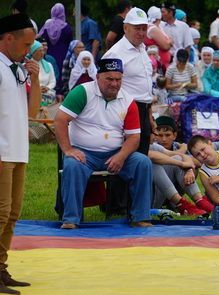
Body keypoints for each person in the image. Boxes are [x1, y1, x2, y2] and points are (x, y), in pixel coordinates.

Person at [54, 58, 152, 229]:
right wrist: (68, 149)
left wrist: (121, 156)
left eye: (118, 79)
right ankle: (70, 220)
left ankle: (140, 217)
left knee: (142, 162)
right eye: (109, 79)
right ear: (97, 77)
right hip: (84, 153)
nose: (114, 84)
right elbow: (61, 120)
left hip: (115, 152)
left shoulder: (128, 101)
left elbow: (134, 137)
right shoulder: (82, 92)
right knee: (72, 165)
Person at [0, 13, 41, 295]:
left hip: (18, 150)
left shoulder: (16, 68)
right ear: (8, 38)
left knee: (12, 214)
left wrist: (35, 80)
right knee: (0, 213)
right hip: (2, 150)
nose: (29, 50)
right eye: (26, 44)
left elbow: (32, 113)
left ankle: (1, 267)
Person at [103, 7, 154, 155]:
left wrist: (149, 113)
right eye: (137, 28)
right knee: (125, 158)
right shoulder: (115, 53)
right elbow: (103, 87)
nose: (141, 33)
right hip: (124, 111)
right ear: (125, 28)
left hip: (143, 110)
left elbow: (144, 84)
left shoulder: (142, 48)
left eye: (144, 28)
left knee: (142, 155)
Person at [149, 116, 210, 216]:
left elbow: (197, 162)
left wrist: (189, 170)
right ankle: (183, 204)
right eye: (160, 135)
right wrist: (182, 157)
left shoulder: (177, 145)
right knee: (172, 160)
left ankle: (199, 201)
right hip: (155, 195)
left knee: (182, 162)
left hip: (172, 192)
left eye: (167, 135)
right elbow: (157, 156)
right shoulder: (153, 146)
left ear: (174, 135)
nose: (164, 139)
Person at [38, 3, 73, 77]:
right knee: (61, 70)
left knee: (51, 68)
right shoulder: (66, 27)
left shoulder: (47, 26)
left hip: (49, 52)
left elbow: (41, 39)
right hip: (64, 53)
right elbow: (70, 43)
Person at [28, 40, 56, 106]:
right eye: (39, 51)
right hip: (33, 95)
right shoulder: (27, 65)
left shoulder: (48, 65)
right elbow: (27, 83)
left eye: (42, 50)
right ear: (33, 52)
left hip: (48, 96)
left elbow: (53, 81)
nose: (42, 53)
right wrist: (38, 88)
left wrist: (47, 88)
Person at [145, 6, 173, 71]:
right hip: (158, 65)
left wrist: (169, 41)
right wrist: (170, 41)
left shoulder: (156, 27)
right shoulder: (153, 29)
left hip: (161, 64)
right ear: (159, 17)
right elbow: (165, 46)